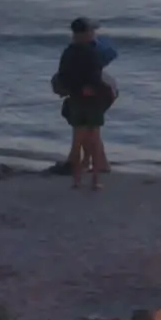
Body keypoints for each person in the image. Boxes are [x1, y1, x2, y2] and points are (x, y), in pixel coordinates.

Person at [57, 17, 108, 190]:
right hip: (92, 101)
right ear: (85, 33)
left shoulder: (68, 52)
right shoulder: (92, 52)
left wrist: (76, 89)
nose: (93, 34)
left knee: (77, 140)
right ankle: (94, 179)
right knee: (93, 138)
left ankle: (77, 180)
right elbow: (96, 77)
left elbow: (62, 76)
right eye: (91, 31)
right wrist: (93, 88)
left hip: (76, 99)